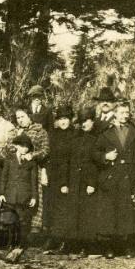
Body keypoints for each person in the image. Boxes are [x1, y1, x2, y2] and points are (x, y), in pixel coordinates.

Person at [93, 100, 135, 258]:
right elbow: (94, 153)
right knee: (110, 213)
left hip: (130, 178)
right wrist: (105, 156)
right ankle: (110, 247)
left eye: (127, 113)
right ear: (114, 114)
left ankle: (129, 246)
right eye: (121, 113)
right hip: (111, 177)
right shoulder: (105, 132)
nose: (125, 116)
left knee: (129, 214)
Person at [3, 107, 50, 238]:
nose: (20, 120)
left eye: (22, 117)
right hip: (17, 168)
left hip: (35, 167)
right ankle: (19, 232)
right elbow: (8, 148)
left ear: (29, 116)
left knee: (35, 197)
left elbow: (45, 150)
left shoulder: (40, 131)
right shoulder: (14, 132)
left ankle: (34, 230)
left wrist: (32, 155)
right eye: (18, 118)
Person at [42, 105, 77, 253]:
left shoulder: (75, 134)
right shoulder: (52, 134)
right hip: (53, 174)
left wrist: (66, 182)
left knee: (65, 209)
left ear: (70, 120)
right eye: (61, 119)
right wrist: (44, 171)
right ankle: (53, 237)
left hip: (68, 174)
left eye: (66, 119)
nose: (63, 122)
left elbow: (74, 159)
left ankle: (65, 240)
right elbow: (47, 154)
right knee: (51, 206)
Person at [68, 107, 101, 256]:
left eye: (86, 121)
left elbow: (95, 164)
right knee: (77, 212)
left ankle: (90, 245)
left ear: (92, 121)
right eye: (81, 121)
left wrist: (92, 183)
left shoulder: (97, 138)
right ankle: (79, 244)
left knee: (89, 213)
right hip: (76, 181)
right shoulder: (76, 139)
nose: (84, 124)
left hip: (90, 181)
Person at [0, 134, 38, 251]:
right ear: (15, 146)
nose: (24, 149)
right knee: (10, 220)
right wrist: (1, 193)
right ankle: (11, 243)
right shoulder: (9, 159)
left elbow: (33, 181)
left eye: (27, 147)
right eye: (21, 146)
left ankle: (21, 243)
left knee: (23, 220)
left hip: (24, 195)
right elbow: (4, 177)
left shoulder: (31, 162)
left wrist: (34, 197)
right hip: (10, 195)